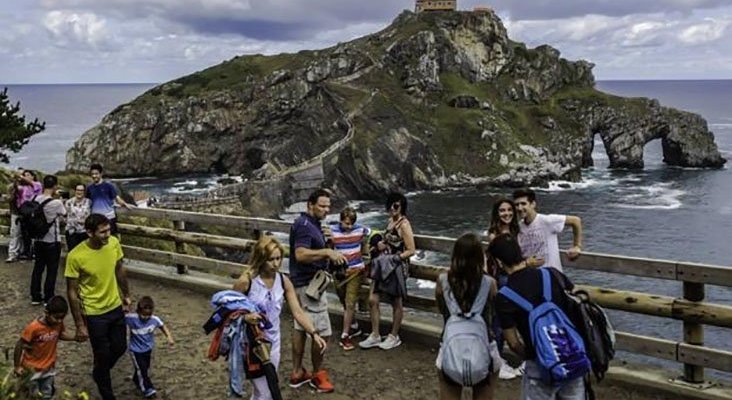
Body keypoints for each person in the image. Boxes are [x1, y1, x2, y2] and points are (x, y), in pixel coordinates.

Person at [489, 234, 586, 400]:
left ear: (499, 262)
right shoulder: (551, 274)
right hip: (571, 355)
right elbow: (579, 298)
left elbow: (513, 342)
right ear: (520, 252)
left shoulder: (504, 296)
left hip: (539, 364)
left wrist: (532, 355)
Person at [233, 236, 328, 400]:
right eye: (271, 259)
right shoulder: (247, 281)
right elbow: (229, 308)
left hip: (273, 343)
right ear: (261, 259)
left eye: (278, 258)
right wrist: (246, 317)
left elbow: (297, 311)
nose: (276, 264)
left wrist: (314, 333)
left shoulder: (283, 281)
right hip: (251, 343)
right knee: (264, 391)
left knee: (268, 388)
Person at [65, 213, 131, 400]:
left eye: (108, 230)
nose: (107, 235)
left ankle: (99, 373)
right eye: (102, 232)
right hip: (93, 313)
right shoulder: (76, 256)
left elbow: (119, 268)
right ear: (89, 232)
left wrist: (126, 294)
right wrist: (79, 324)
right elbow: (71, 290)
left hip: (115, 306)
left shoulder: (113, 244)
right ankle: (107, 393)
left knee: (119, 347)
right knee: (101, 355)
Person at [287, 188, 345, 393]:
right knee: (323, 332)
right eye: (322, 206)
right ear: (310, 205)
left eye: (328, 206)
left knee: (300, 328)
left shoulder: (310, 224)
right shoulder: (304, 226)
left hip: (300, 283)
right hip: (309, 286)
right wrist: (327, 252)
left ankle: (296, 372)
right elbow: (300, 254)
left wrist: (326, 240)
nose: (326, 209)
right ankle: (317, 375)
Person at [435, 233, 497, 400]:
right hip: (483, 345)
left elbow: (442, 309)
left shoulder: (443, 281)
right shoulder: (489, 283)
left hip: (450, 345)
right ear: (480, 256)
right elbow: (493, 312)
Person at [360, 192, 415, 350]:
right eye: (390, 205)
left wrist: (396, 258)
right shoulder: (391, 221)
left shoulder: (404, 225)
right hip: (382, 265)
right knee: (372, 299)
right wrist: (380, 244)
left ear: (402, 207)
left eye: (396, 205)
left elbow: (411, 249)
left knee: (396, 301)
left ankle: (393, 335)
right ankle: (375, 334)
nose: (392, 208)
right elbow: (388, 240)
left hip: (395, 267)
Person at [485, 198, 525, 380]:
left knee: (520, 316)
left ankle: (523, 358)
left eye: (509, 210)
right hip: (503, 278)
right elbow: (501, 260)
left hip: (518, 277)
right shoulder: (494, 234)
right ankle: (498, 361)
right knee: (500, 321)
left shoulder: (517, 229)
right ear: (496, 213)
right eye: (502, 210)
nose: (507, 213)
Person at [13, 296, 76, 400]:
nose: (59, 321)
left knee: (47, 395)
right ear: (47, 313)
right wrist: (16, 366)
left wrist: (75, 338)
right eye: (56, 317)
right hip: (31, 370)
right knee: (31, 396)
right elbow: (19, 345)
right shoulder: (34, 328)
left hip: (48, 369)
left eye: (62, 318)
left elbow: (60, 334)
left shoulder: (58, 324)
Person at [328, 207, 370, 351]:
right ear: (340, 220)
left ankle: (345, 335)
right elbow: (326, 242)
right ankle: (354, 325)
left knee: (350, 302)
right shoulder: (332, 231)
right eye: (346, 223)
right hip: (339, 272)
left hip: (356, 271)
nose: (349, 226)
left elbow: (372, 233)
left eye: (352, 223)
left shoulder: (360, 230)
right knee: (343, 300)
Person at [512, 189, 583, 272]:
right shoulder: (518, 227)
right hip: (530, 277)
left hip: (551, 276)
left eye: (523, 204)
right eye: (516, 205)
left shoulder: (547, 221)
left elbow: (575, 221)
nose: (520, 208)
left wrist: (577, 246)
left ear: (533, 204)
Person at [125, 296, 174, 398]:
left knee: (144, 367)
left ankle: (136, 379)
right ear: (138, 311)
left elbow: (163, 326)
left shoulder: (154, 320)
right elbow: (120, 317)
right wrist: (126, 305)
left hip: (147, 349)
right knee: (142, 369)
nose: (145, 317)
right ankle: (148, 389)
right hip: (135, 350)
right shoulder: (131, 318)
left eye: (148, 315)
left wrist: (169, 337)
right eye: (143, 314)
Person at [30, 175, 67, 306]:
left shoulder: (36, 198)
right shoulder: (56, 203)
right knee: (52, 270)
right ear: (55, 186)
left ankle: (35, 296)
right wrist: (61, 199)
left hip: (38, 239)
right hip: (52, 240)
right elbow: (64, 213)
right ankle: (48, 297)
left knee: (38, 268)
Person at [7, 169, 43, 262]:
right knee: (19, 234)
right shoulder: (23, 187)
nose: (25, 177)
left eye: (27, 175)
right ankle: (19, 253)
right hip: (22, 213)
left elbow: (32, 184)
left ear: (32, 176)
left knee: (33, 235)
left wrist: (20, 176)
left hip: (33, 213)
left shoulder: (37, 185)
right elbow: (16, 190)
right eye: (24, 175)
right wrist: (16, 180)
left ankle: (33, 253)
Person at [87, 163, 131, 236]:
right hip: (96, 219)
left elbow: (116, 198)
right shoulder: (89, 188)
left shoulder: (108, 186)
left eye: (96, 174)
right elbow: (87, 202)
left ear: (101, 174)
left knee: (110, 240)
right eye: (92, 174)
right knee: (98, 241)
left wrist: (125, 204)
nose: (94, 176)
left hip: (109, 218)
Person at [65, 183, 91, 251]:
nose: (79, 192)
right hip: (72, 232)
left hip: (84, 232)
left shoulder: (89, 202)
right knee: (72, 253)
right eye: (78, 190)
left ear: (84, 192)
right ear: (75, 191)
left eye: (81, 190)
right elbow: (65, 216)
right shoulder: (69, 202)